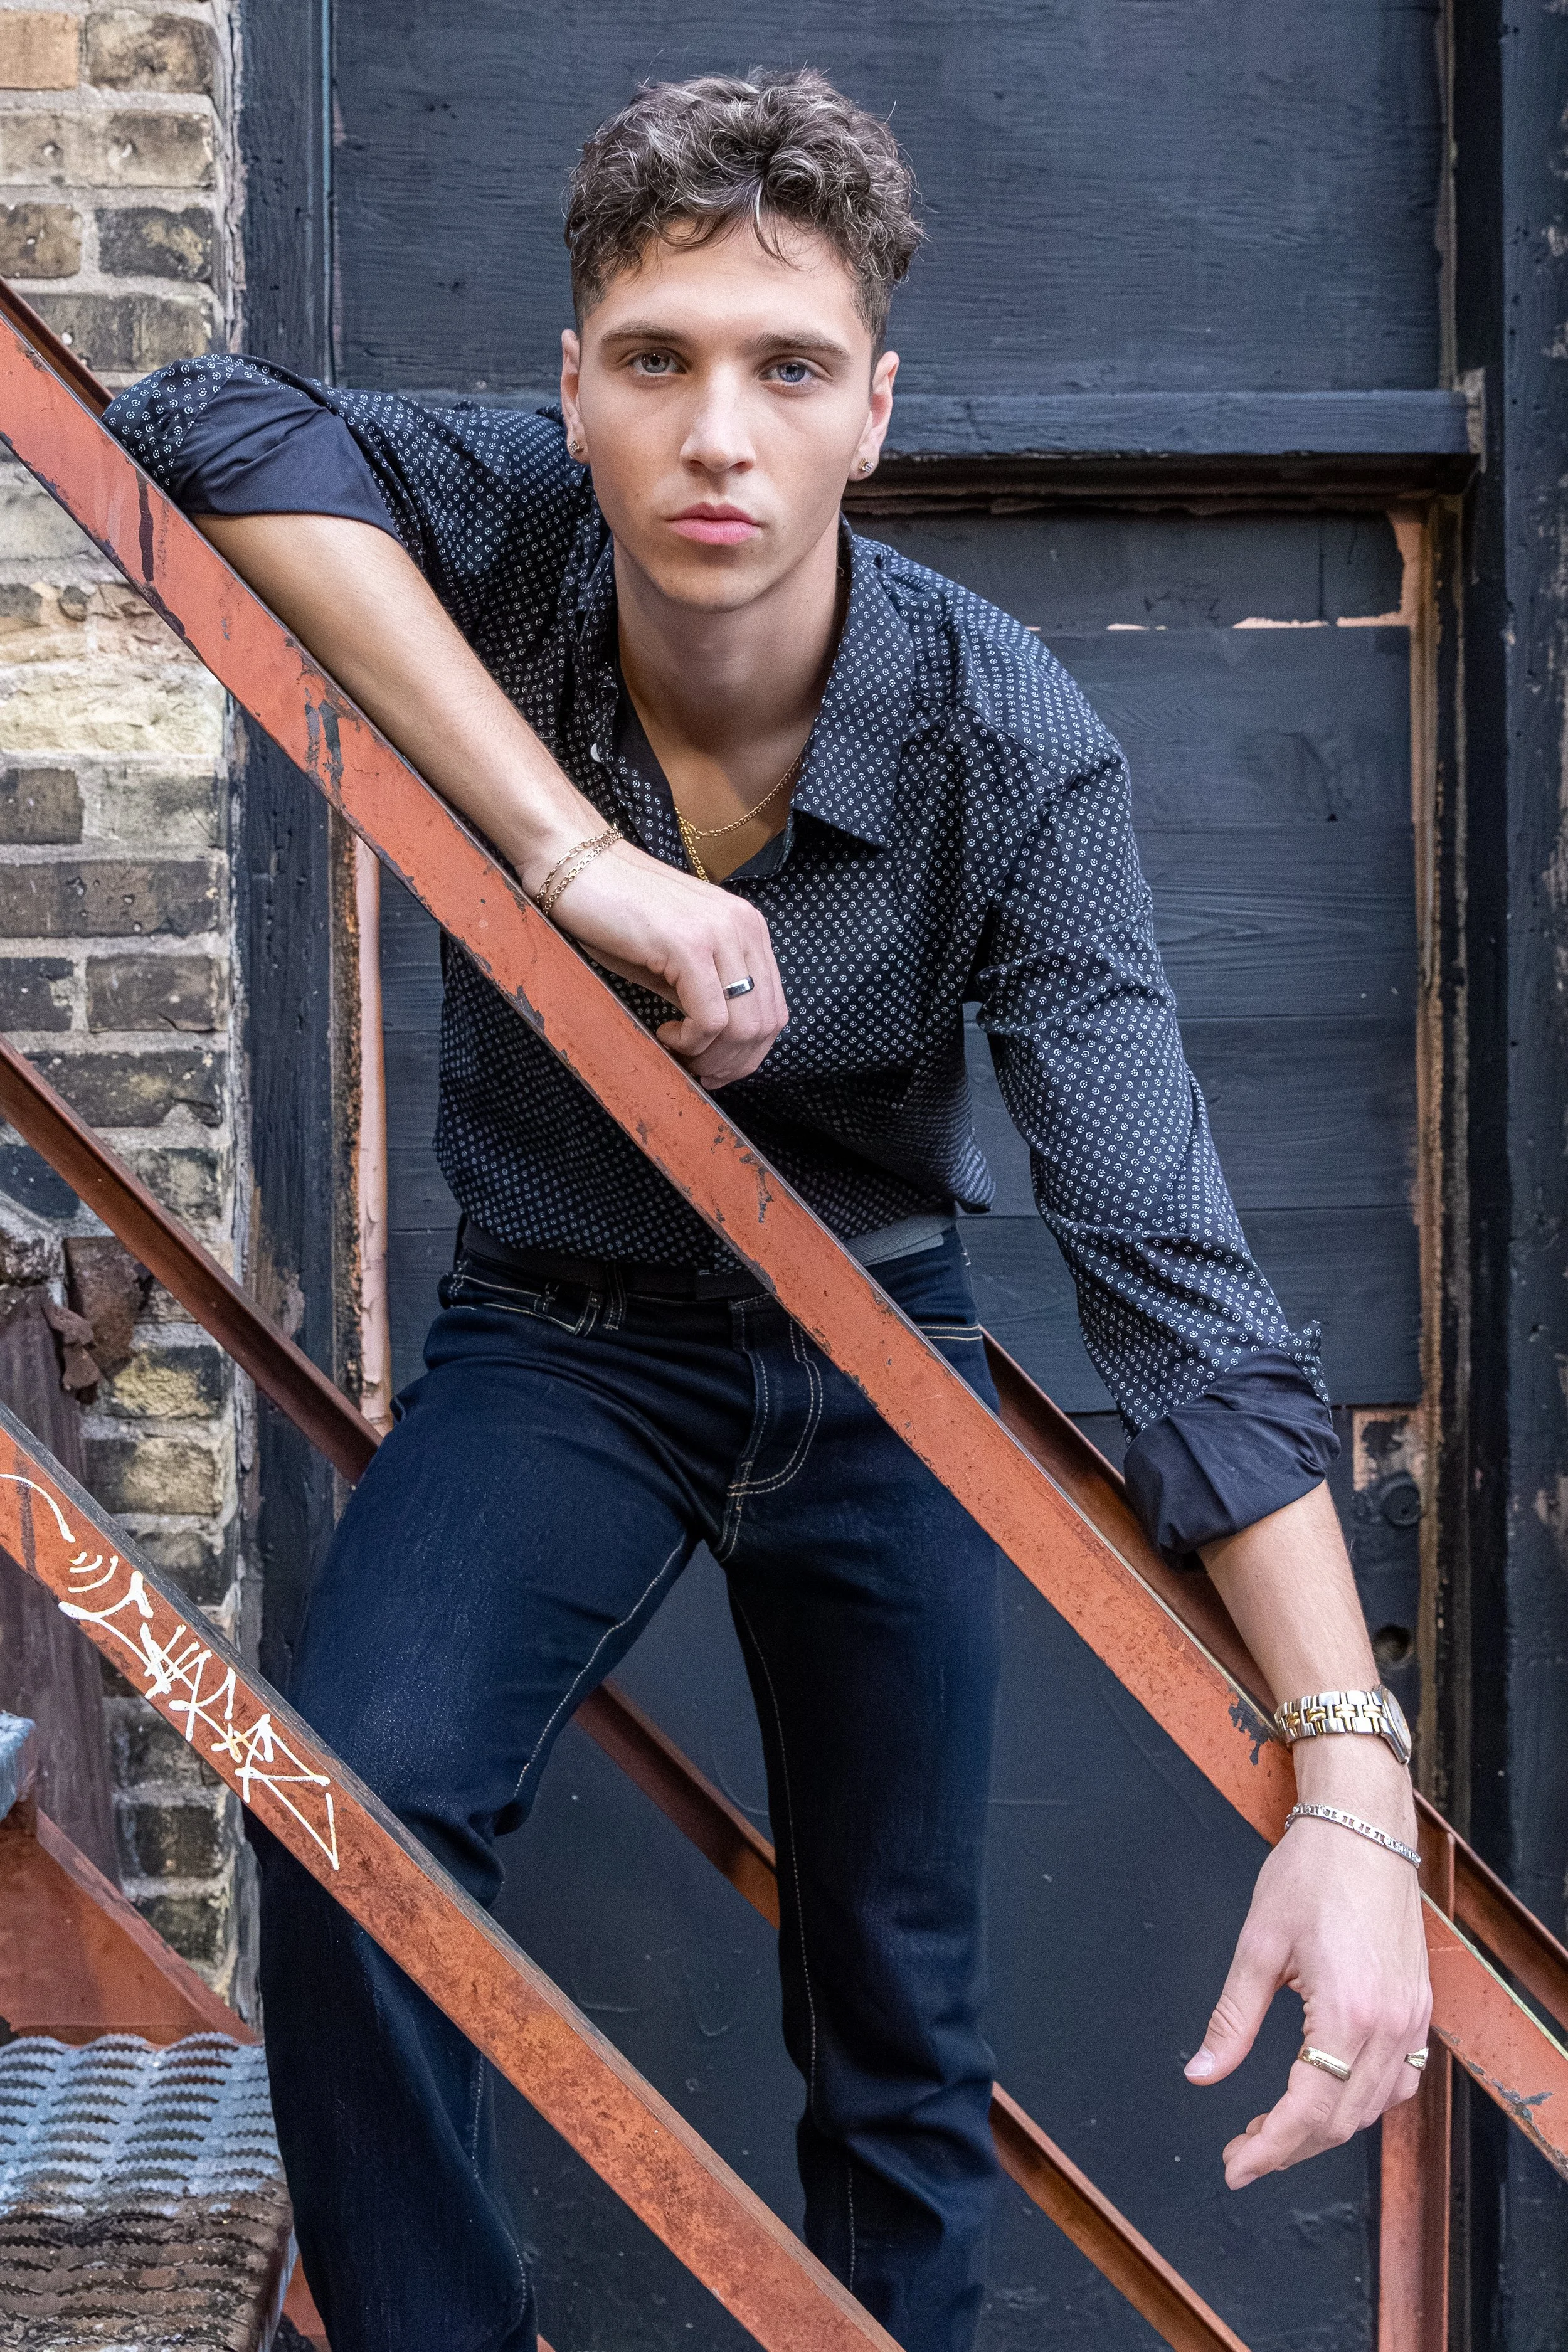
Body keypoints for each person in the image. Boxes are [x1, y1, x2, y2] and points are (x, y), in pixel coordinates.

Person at [106, 68, 1431, 2352]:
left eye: (786, 369)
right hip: (563, 1333)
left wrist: (1353, 1789)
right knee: (351, 1816)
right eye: (658, 362)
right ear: (576, 390)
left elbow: (1175, 1287)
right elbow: (195, 420)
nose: (716, 433)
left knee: (896, 2022)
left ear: (874, 416)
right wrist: (566, 850)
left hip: (878, 1347)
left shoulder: (1001, 739)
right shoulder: (505, 523)